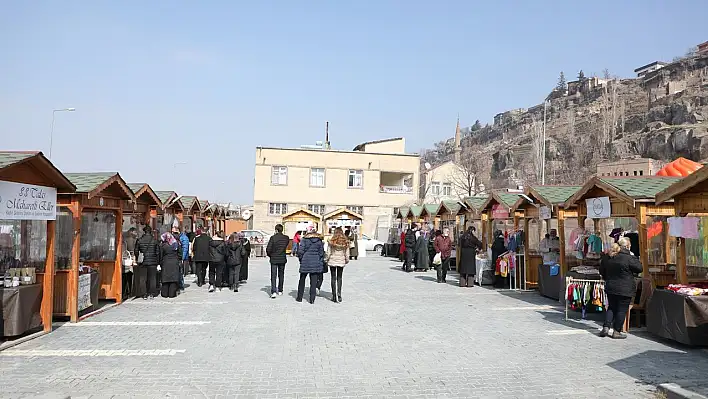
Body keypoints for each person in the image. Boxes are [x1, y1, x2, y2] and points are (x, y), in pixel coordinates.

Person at [599, 238, 643, 339]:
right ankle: (616, 331)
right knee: (621, 310)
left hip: (611, 286)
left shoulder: (608, 256)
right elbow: (640, 268)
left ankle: (606, 327)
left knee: (611, 307)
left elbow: (602, 270)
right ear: (627, 246)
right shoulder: (628, 257)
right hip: (625, 288)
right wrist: (633, 256)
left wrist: (608, 278)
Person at [296, 225, 324, 304]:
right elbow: (321, 253)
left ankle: (299, 297)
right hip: (315, 262)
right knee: (313, 281)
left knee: (302, 279)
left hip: (305, 260)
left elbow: (300, 251)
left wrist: (301, 259)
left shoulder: (304, 240)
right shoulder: (319, 241)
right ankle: (312, 299)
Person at [135, 226, 160, 299]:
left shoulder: (139, 240)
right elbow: (157, 252)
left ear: (144, 231)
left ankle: (144, 294)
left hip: (143, 262)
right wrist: (157, 262)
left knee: (143, 278)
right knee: (152, 278)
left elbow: (136, 251)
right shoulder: (155, 240)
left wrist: (137, 258)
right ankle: (152, 294)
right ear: (150, 231)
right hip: (153, 262)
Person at [266, 224, 290, 298]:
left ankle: (273, 291)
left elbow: (268, 249)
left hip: (274, 258)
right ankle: (280, 290)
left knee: (273, 275)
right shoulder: (286, 238)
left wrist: (271, 255)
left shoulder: (273, 238)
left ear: (276, 230)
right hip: (282, 258)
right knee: (281, 275)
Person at [326, 227, 349, 303]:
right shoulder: (345, 242)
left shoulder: (331, 241)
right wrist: (347, 259)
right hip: (341, 260)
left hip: (332, 260)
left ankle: (334, 295)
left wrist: (326, 259)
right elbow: (347, 253)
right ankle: (339, 294)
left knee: (333, 278)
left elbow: (328, 252)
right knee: (339, 278)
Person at [159, 232, 181, 298]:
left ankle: (165, 293)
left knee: (165, 279)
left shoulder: (163, 245)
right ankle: (172, 293)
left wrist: (160, 263)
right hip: (174, 262)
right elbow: (180, 254)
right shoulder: (176, 244)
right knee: (173, 279)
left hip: (165, 263)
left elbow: (160, 255)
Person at [121, 228, 137, 298]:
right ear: (131, 232)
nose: (136, 233)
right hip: (127, 261)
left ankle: (125, 292)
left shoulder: (126, 241)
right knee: (129, 277)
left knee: (125, 277)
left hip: (125, 261)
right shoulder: (130, 240)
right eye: (135, 232)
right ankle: (129, 291)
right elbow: (132, 251)